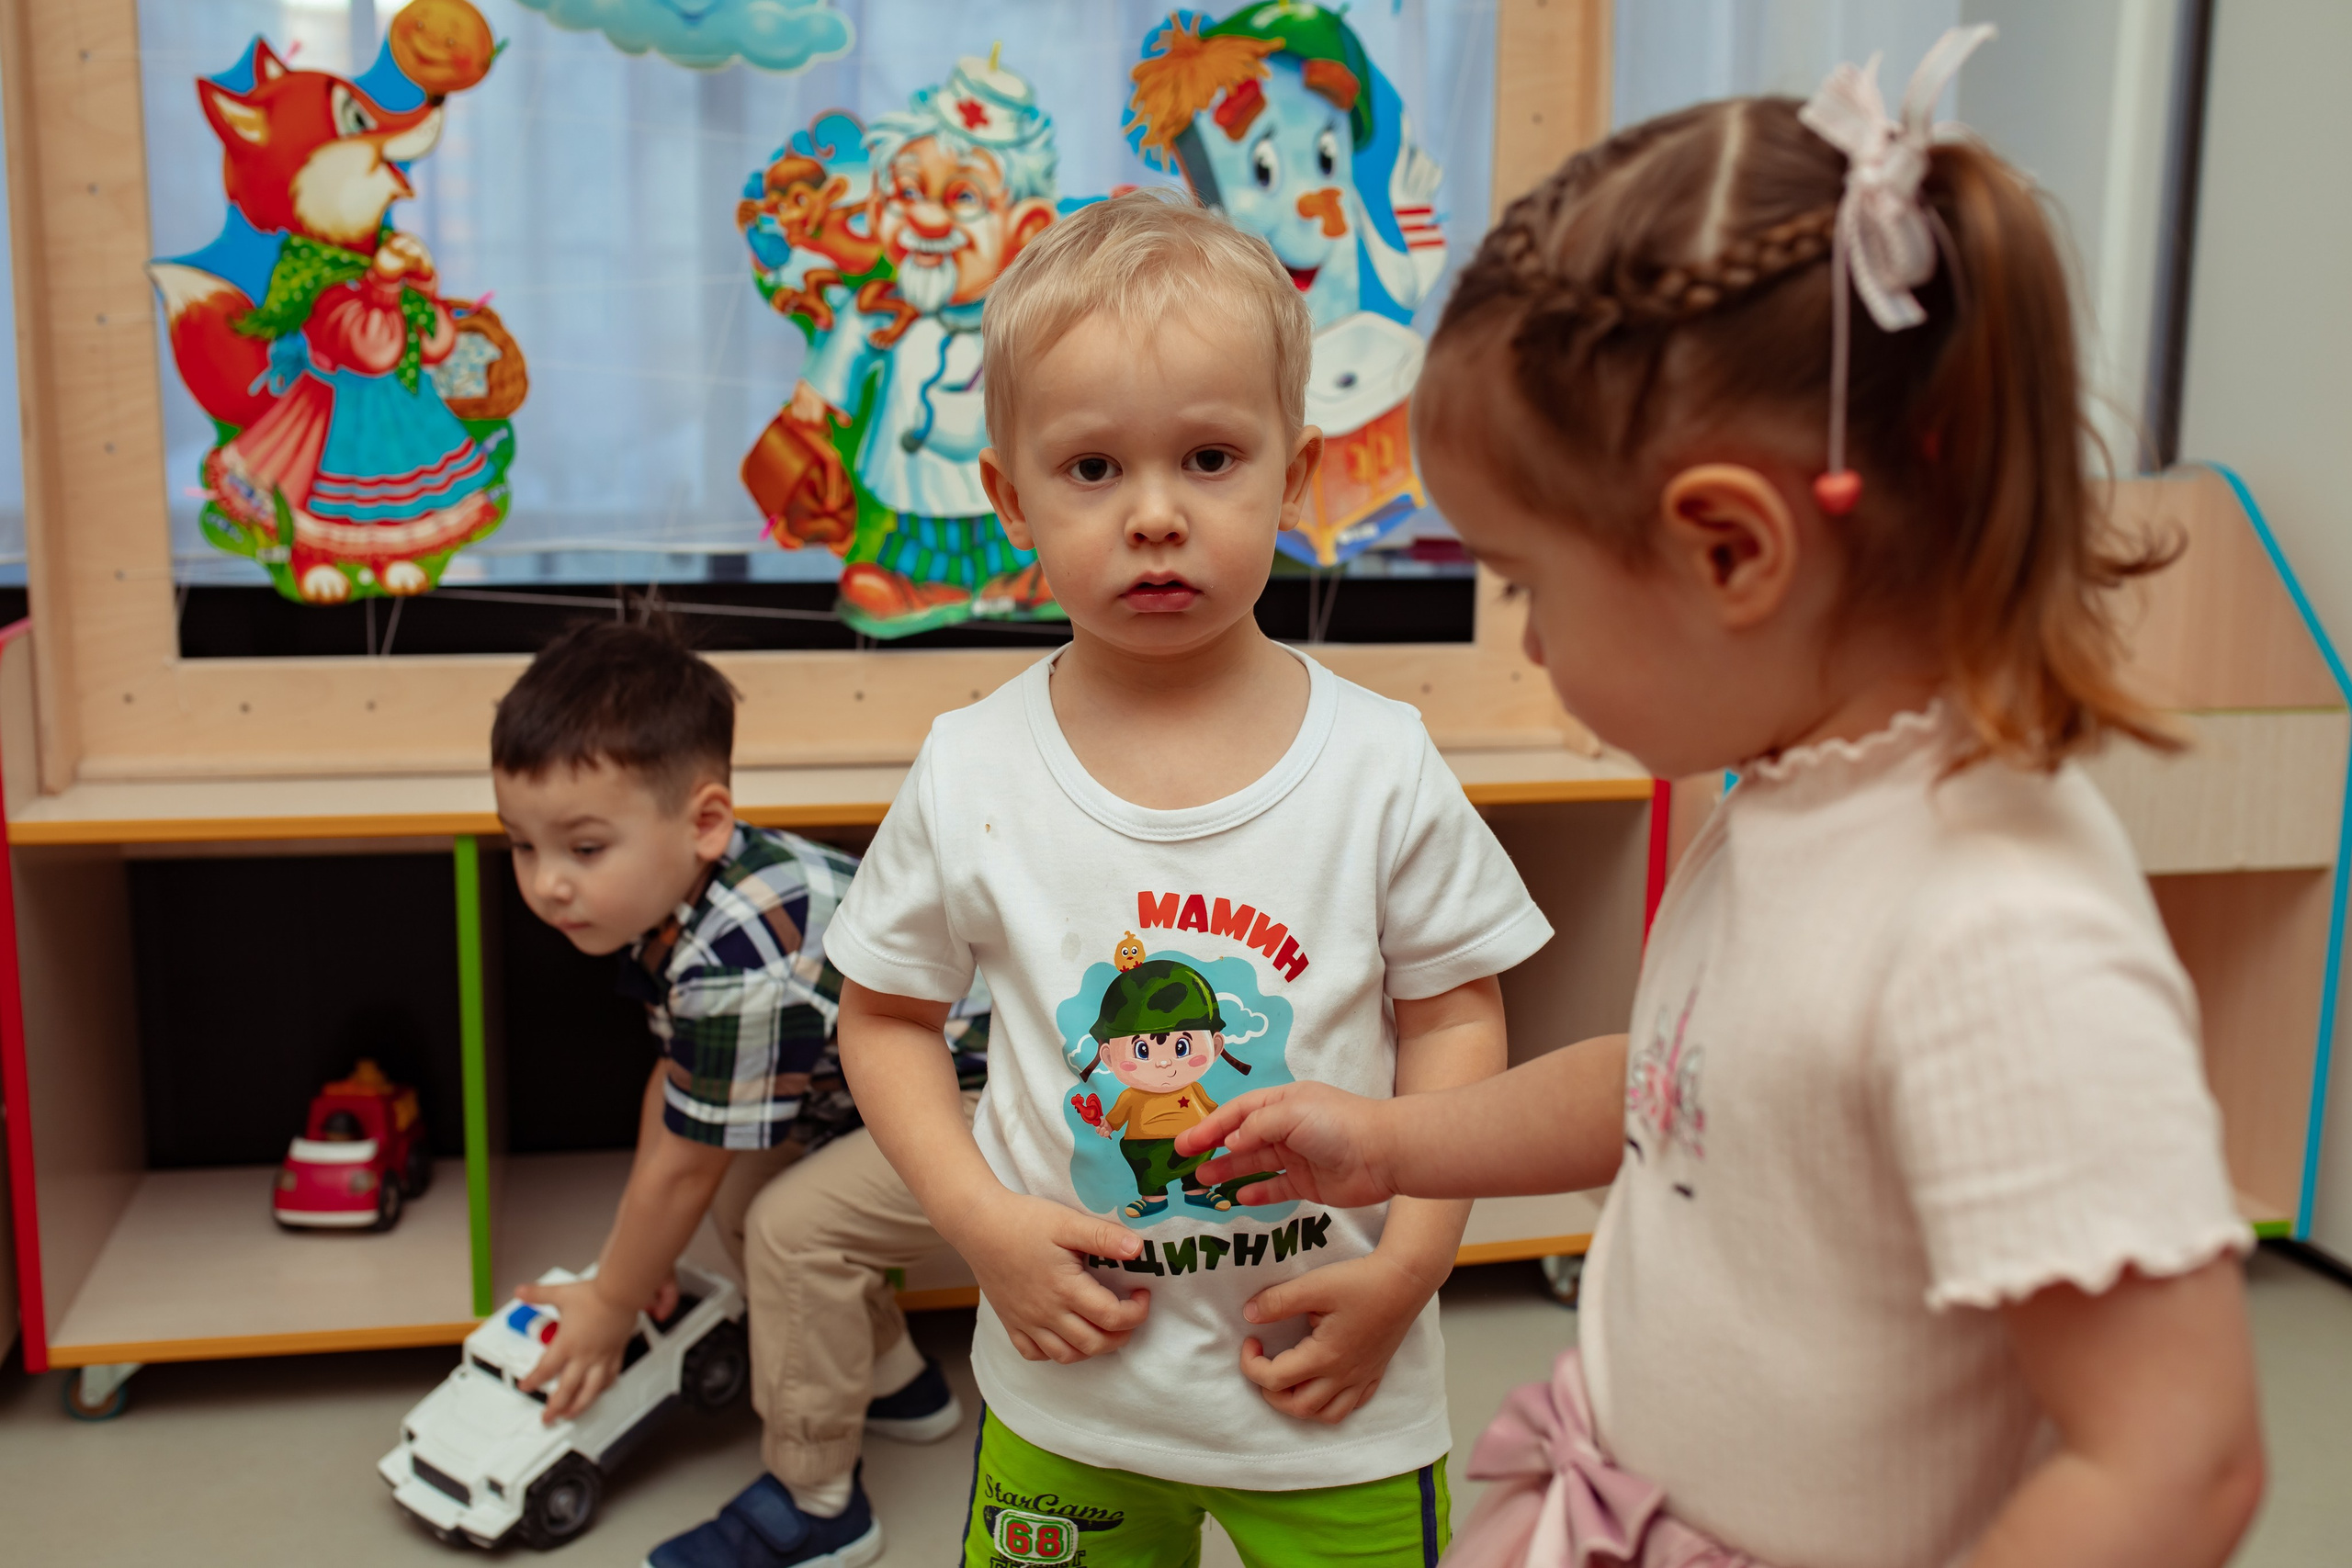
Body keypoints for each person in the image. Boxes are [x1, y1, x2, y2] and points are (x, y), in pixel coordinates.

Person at [1177, 28, 2267, 1568]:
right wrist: (1391, 1141)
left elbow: (2180, 1461)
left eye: (1530, 586)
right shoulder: (1810, 793)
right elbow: (1685, 1084)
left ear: (1732, 553)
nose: (1533, 645)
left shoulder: (2000, 929)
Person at [829, 189, 1553, 1567]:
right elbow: (886, 1013)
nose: (1154, 515)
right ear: (1008, 498)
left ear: (1295, 475)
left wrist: (1409, 1268)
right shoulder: (971, 764)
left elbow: (1457, 1017)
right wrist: (979, 1225)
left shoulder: (1381, 761)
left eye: (1210, 457)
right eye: (1092, 469)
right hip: (1071, 1398)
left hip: (1335, 1387)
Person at [487, 619, 989, 1568]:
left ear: (705, 820)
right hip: (910, 1083)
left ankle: (818, 1500)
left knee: (792, 1228)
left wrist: (614, 1298)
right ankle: (894, 1383)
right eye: (521, 846)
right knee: (740, 1187)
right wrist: (628, 1263)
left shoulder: (730, 958)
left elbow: (678, 1165)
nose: (548, 884)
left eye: (585, 848)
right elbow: (684, 1100)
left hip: (998, 1100)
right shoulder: (696, 900)